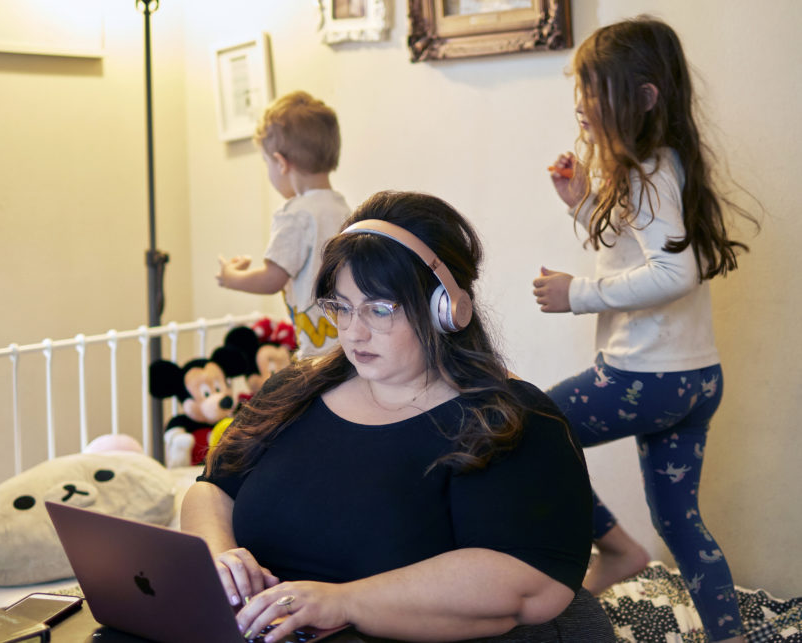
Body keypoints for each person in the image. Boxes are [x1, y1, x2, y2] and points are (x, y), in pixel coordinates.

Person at [184, 191, 615, 642]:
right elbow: (212, 487)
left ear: (445, 308)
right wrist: (220, 559)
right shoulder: (294, 391)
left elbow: (528, 584)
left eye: (379, 309)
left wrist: (343, 602)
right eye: (342, 307)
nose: (354, 332)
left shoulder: (509, 420)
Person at [532, 16, 759, 643]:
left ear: (646, 96)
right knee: (681, 522)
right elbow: (640, 254)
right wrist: (582, 203)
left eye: (593, 88)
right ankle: (731, 636)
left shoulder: (646, 171)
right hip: (695, 379)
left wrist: (578, 294)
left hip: (644, 378)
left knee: (531, 429)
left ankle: (617, 551)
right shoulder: (667, 166)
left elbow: (672, 273)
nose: (580, 102)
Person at [217, 90, 351, 358]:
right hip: (346, 343)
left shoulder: (296, 215)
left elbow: (272, 278)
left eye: (267, 162)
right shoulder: (343, 209)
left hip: (317, 349)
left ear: (280, 163)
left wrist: (231, 278)